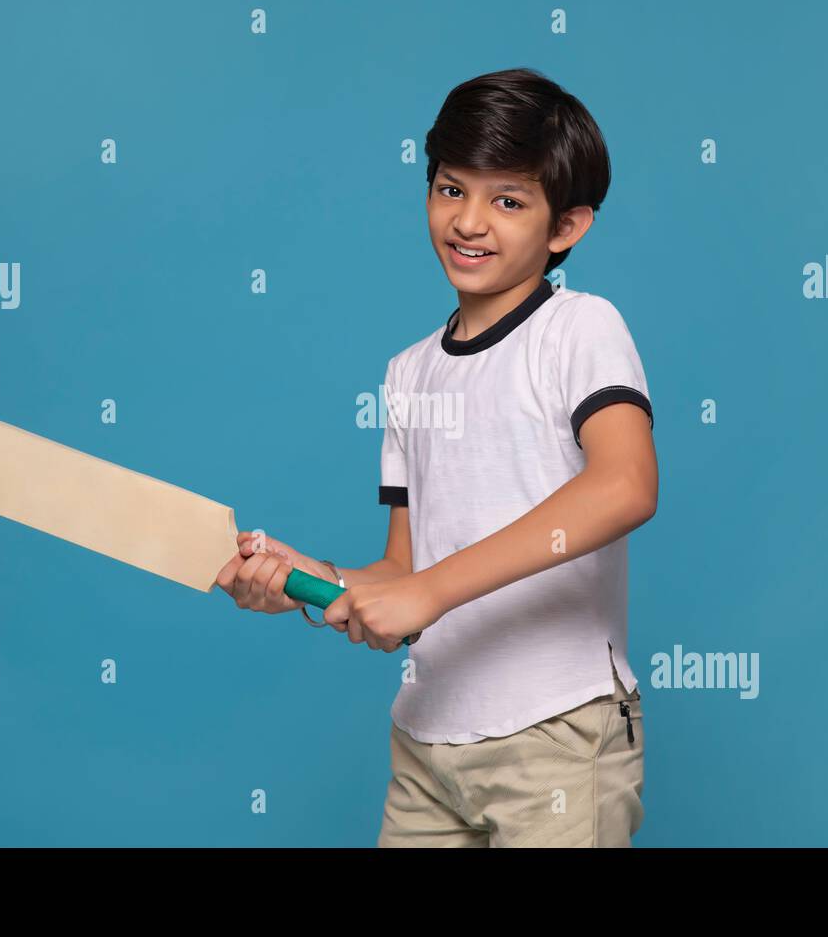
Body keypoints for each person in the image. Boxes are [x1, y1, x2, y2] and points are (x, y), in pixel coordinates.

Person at [215, 67, 657, 847]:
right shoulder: (408, 373)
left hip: (555, 738)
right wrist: (306, 582)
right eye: (451, 190)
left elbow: (624, 486)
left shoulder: (580, 329)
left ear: (568, 227)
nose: (470, 222)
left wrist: (432, 594)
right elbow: (404, 569)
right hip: (427, 741)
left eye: (508, 201)